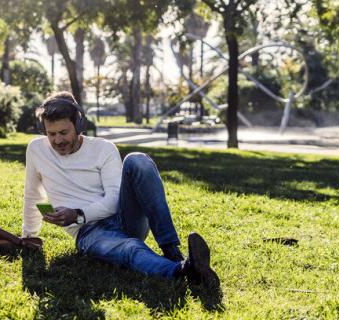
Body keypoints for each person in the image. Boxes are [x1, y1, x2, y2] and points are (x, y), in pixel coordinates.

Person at [21, 92, 219, 288]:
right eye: (51, 134)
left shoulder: (104, 149)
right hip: (88, 233)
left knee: (138, 160)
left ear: (79, 125)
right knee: (130, 248)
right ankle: (184, 271)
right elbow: (33, 195)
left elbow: (115, 198)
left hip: (123, 218)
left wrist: (78, 214)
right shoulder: (36, 150)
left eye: (64, 133)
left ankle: (171, 250)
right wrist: (29, 237)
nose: (57, 140)